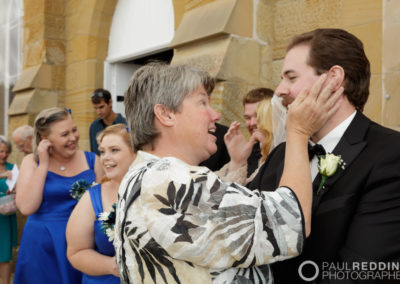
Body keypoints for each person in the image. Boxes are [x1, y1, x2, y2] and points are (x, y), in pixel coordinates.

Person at [114, 63, 342, 283]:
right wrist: (298, 132)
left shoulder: (142, 175)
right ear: (166, 114)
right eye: (202, 102)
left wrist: (236, 163)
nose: (215, 115)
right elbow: (289, 221)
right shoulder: (169, 180)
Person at [248, 28, 400, 283]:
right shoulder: (281, 155)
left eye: (291, 77)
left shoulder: (390, 154)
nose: (280, 90)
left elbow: (360, 272)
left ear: (333, 79)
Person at [14, 107, 104, 284]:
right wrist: (43, 164)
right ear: (46, 140)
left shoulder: (93, 160)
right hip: (42, 244)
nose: (73, 138)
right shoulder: (31, 162)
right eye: (64, 134)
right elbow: (26, 207)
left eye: (74, 130)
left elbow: (106, 204)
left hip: (84, 244)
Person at [66, 124, 135, 284]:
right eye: (102, 151)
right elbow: (76, 252)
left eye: (114, 150)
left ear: (136, 153)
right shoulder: (92, 197)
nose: (105, 157)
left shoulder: (157, 191)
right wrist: (113, 266)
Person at [242, 88, 274, 177]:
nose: (252, 123)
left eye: (258, 116)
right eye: (247, 118)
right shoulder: (248, 153)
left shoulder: (288, 150)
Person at [0, 136, 17, 284]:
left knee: (5, 255)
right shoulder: (6, 171)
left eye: (6, 152)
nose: (4, 155)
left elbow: (20, 188)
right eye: (0, 151)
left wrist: (14, 192)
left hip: (6, 217)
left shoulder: (13, 168)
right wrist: (2, 175)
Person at [89, 89, 127, 155]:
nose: (98, 112)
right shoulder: (93, 127)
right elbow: (94, 154)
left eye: (101, 107)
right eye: (95, 108)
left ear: (110, 102)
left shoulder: (125, 124)